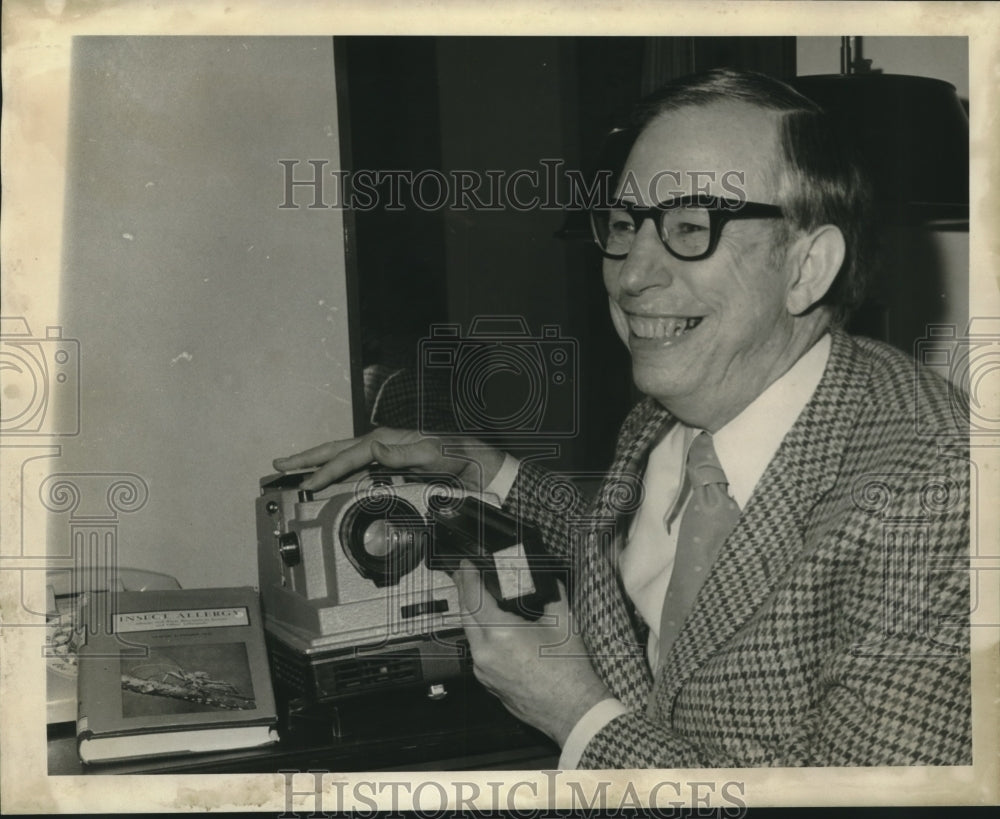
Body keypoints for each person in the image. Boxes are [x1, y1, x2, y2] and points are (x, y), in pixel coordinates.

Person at [274, 69, 971, 768]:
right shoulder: (674, 409)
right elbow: (620, 545)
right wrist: (477, 466)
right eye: (624, 224)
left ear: (806, 269)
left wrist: (577, 715)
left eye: (690, 227)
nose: (631, 274)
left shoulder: (937, 487)